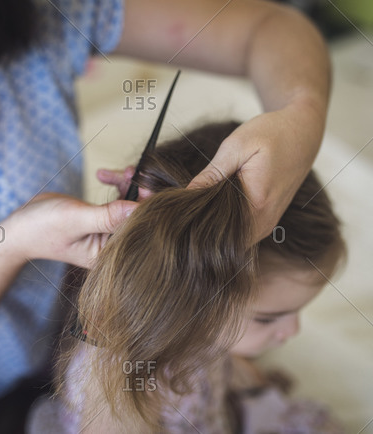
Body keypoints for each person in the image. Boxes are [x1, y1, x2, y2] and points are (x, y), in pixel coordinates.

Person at [0, 0, 330, 432]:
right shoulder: (112, 377)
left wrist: (301, 115)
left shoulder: (45, 12)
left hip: (51, 342)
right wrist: (12, 243)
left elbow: (269, 27)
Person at [28, 121, 346, 433]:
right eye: (267, 318)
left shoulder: (197, 330)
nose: (292, 330)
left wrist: (248, 383)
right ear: (183, 295)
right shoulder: (126, 384)